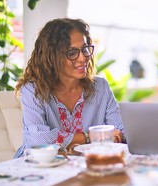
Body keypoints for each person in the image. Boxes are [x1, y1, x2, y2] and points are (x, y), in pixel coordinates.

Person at [14, 18, 125, 158]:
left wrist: (112, 135)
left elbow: (120, 130)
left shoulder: (100, 87)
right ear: (51, 57)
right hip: (38, 168)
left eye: (85, 49)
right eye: (72, 53)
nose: (83, 58)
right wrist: (91, 136)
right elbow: (38, 140)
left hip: (83, 165)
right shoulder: (33, 90)